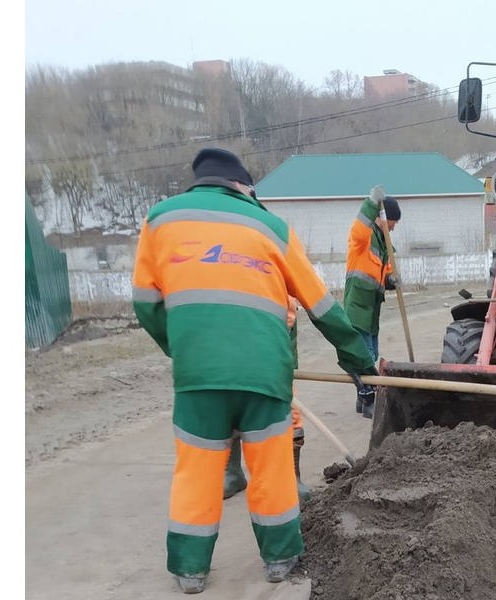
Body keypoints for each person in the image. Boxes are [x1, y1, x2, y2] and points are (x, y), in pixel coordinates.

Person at [132, 148, 377, 594]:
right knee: (272, 469)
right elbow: (321, 304)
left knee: (197, 471)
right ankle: (280, 560)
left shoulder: (160, 221)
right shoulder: (270, 226)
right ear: (244, 186)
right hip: (265, 375)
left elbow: (145, 302)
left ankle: (190, 571)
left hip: (198, 378)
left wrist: (183, 347)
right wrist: (360, 361)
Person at [224, 300, 311, 504]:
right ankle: (231, 472)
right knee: (229, 401)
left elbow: (285, 306)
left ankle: (291, 477)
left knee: (285, 408)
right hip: (228, 341)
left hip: (273, 339)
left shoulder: (274, 271)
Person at [343, 186, 401, 419]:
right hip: (357, 305)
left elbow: (384, 274)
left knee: (372, 352)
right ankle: (367, 397)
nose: (395, 226)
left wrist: (391, 279)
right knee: (363, 355)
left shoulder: (384, 244)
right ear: (383, 218)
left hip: (371, 308)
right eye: (394, 221)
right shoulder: (364, 239)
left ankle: (361, 398)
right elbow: (358, 231)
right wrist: (370, 203)